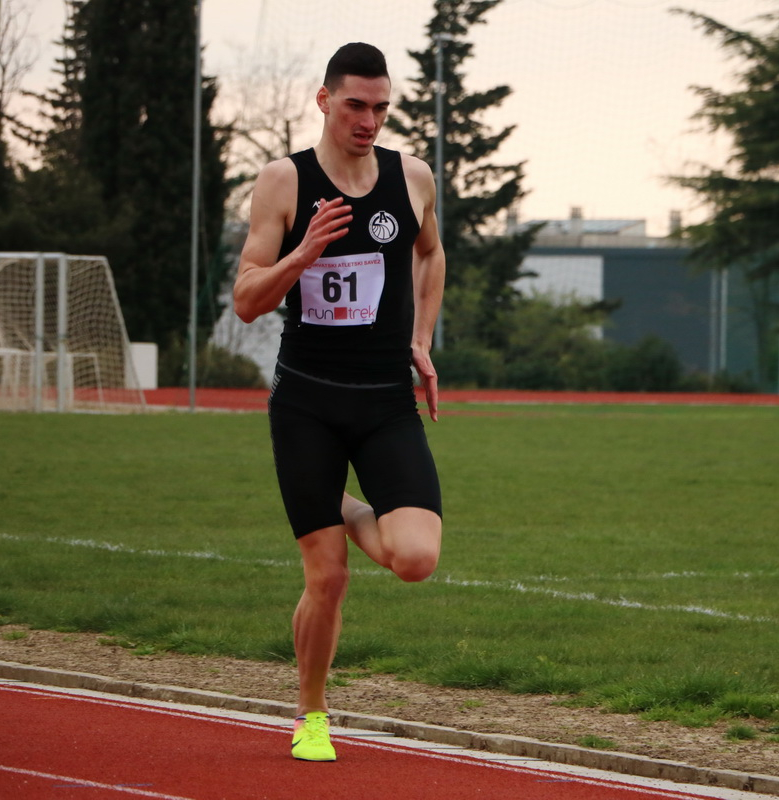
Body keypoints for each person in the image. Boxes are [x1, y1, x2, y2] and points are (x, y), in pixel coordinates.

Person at [233, 42, 445, 763]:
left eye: (381, 108)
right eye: (355, 104)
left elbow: (429, 253)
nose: (369, 121)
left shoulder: (412, 176)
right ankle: (312, 714)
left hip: (385, 400)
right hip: (308, 404)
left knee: (415, 557)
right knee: (327, 576)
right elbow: (246, 300)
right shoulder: (283, 180)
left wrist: (421, 337)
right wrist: (301, 255)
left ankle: (341, 504)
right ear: (324, 100)